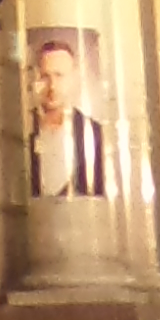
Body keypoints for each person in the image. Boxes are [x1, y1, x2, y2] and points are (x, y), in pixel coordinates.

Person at [26, 36, 107, 198]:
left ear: (73, 78)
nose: (52, 86)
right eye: (45, 76)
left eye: (59, 75)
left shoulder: (95, 134)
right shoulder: (22, 131)